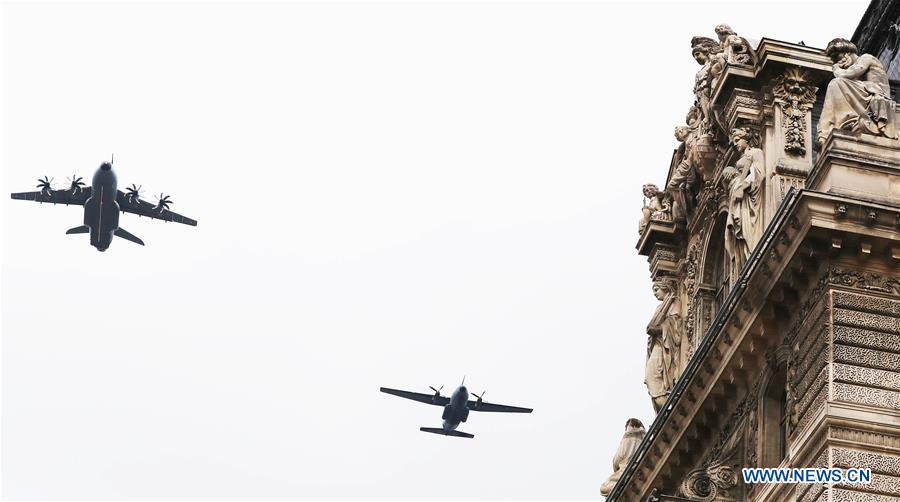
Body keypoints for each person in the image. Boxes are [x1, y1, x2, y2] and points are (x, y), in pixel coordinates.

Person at [817, 38, 898, 147]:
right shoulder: (855, 69)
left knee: (836, 83)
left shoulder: (866, 58)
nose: (839, 63)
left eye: (838, 59)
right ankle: (825, 132)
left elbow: (850, 74)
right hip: (866, 90)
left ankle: (838, 125)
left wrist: (836, 69)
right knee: (836, 84)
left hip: (875, 91)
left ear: (847, 54)